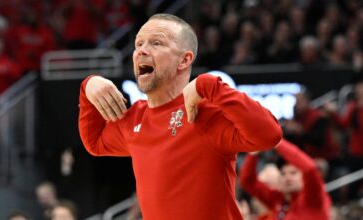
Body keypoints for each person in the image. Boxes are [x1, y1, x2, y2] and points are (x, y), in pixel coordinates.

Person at [78, 13, 282, 220]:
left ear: (184, 60)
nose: (141, 51)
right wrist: (88, 86)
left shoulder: (206, 112)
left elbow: (269, 135)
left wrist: (208, 84)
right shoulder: (134, 118)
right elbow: (94, 142)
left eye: (156, 43)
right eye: (138, 44)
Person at [239, 139, 331, 220]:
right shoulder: (278, 200)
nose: (287, 177)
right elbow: (247, 181)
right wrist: (253, 153)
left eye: (293, 173)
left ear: (304, 177)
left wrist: (276, 142)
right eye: (283, 174)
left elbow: (310, 170)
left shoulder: (313, 199)